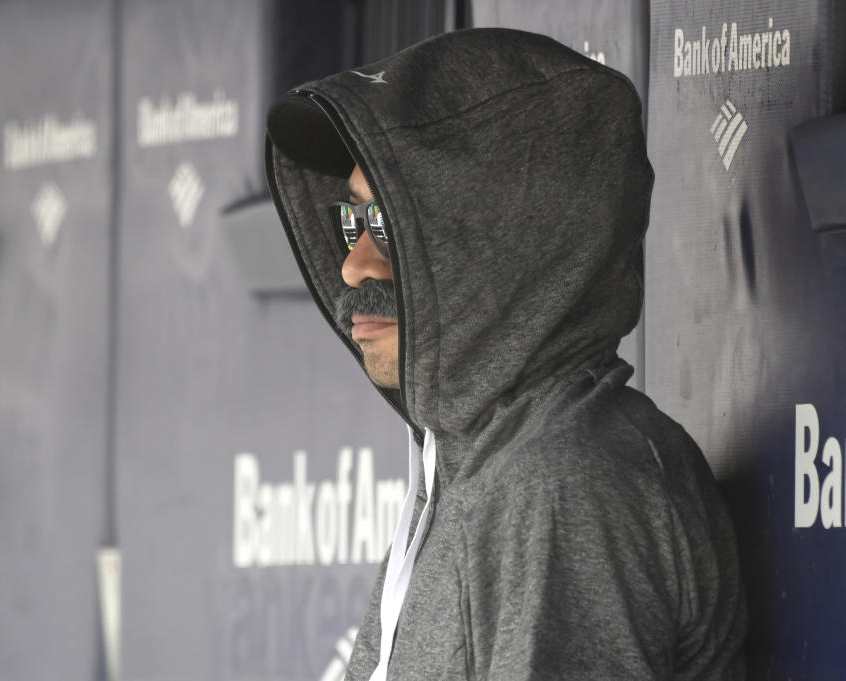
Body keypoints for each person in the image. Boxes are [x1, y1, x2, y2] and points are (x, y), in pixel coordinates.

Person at [266, 27, 746, 681]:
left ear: (503, 242)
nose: (353, 266)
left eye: (388, 225)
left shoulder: (562, 477)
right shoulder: (469, 460)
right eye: (355, 222)